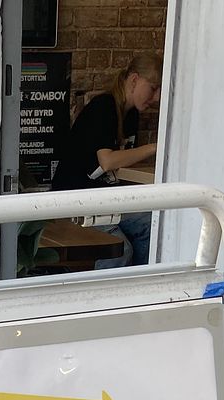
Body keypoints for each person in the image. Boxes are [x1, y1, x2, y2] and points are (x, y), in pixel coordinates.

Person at [52, 53, 162, 266]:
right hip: (75, 201)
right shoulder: (103, 106)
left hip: (104, 199)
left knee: (151, 224)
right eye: (153, 88)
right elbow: (108, 161)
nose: (156, 97)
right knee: (120, 250)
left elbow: (121, 161)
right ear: (134, 80)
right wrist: (154, 147)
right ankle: (108, 288)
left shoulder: (131, 115)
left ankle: (139, 283)